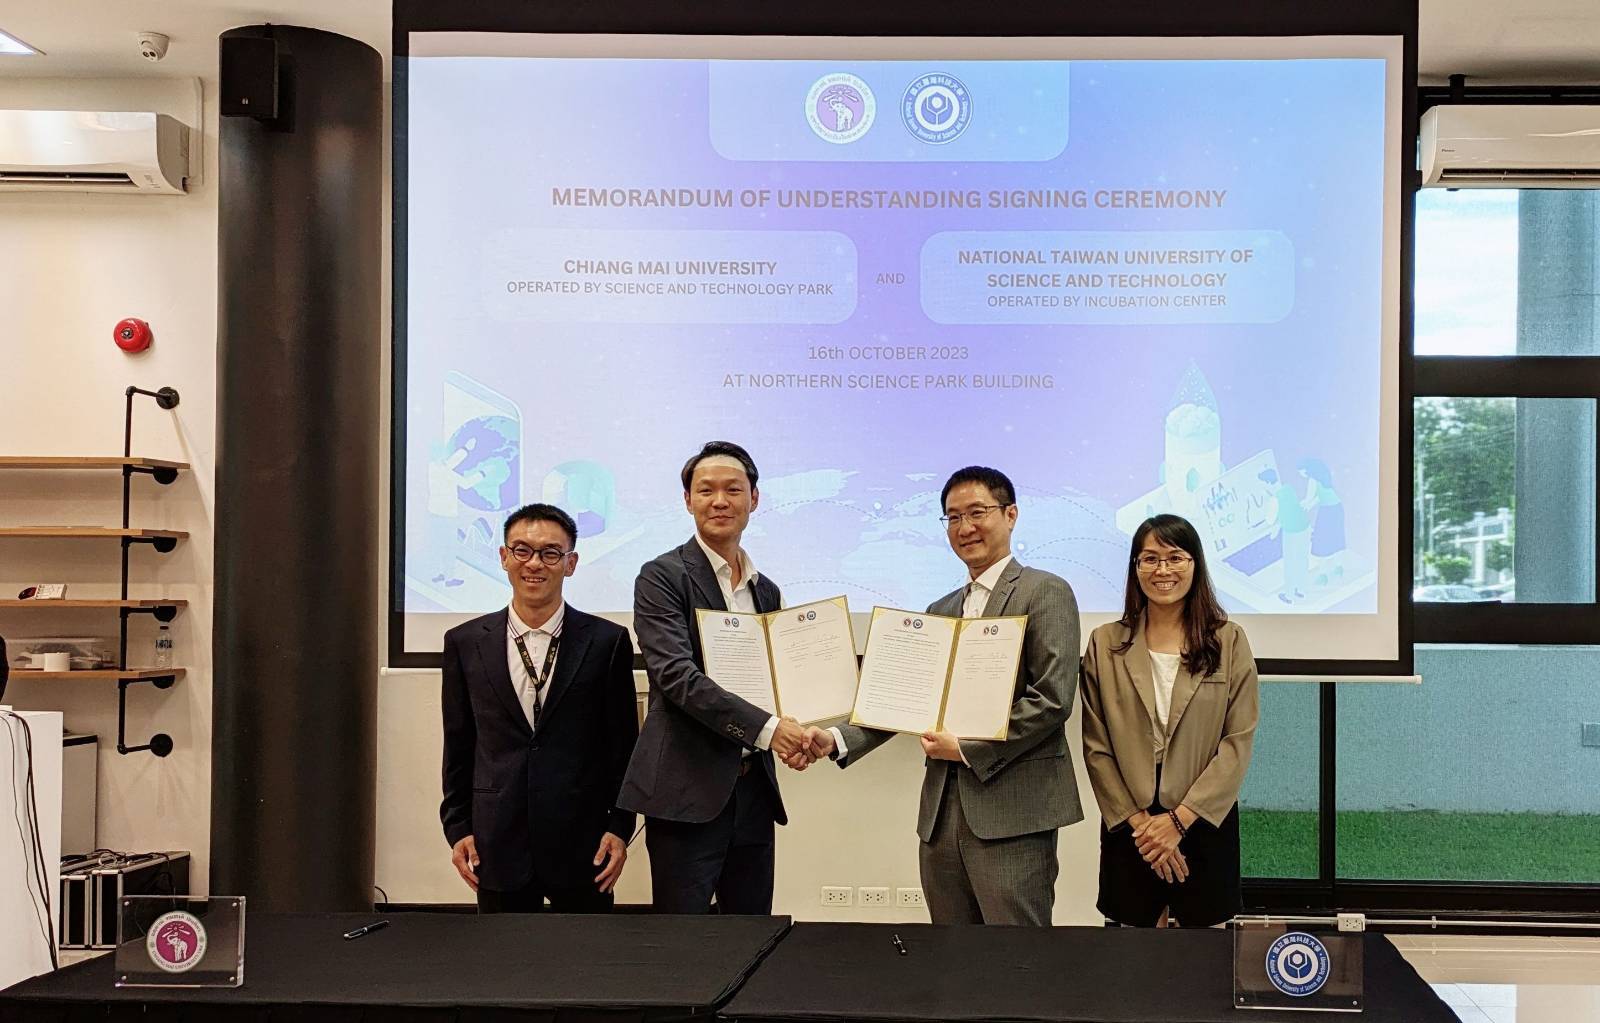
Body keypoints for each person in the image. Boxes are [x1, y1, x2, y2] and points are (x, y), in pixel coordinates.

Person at [801, 466, 1083, 925]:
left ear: (1010, 515)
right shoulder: (941, 609)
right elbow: (906, 700)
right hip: (941, 817)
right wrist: (837, 738)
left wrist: (967, 748)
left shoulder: (1045, 591)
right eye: (952, 517)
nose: (965, 527)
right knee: (952, 959)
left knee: (1017, 961)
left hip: (1012, 813)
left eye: (977, 513)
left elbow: (1052, 698)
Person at [618, 441, 808, 914]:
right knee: (685, 945)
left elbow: (774, 681)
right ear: (688, 500)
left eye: (733, 489)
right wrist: (771, 730)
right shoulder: (662, 576)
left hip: (753, 792)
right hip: (687, 791)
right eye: (706, 490)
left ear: (754, 499)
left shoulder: (766, 589)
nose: (719, 501)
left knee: (752, 933)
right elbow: (676, 676)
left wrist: (798, 730)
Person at [439, 503, 638, 913]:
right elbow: (459, 745)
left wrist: (620, 826)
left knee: (586, 966)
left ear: (571, 563)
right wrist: (457, 827)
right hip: (496, 841)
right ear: (503, 557)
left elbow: (623, 748)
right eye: (522, 550)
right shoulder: (465, 642)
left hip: (584, 844)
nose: (535, 564)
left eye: (550, 553)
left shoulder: (607, 642)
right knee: (504, 967)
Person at [1080, 513, 1259, 928]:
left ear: (1195, 565)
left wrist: (1178, 821)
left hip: (1203, 816)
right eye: (1150, 559)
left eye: (1175, 557)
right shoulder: (1106, 643)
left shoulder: (1228, 640)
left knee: (1202, 958)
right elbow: (1096, 746)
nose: (1163, 570)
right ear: (1135, 568)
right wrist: (1144, 827)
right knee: (1133, 957)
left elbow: (1238, 741)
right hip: (1131, 821)